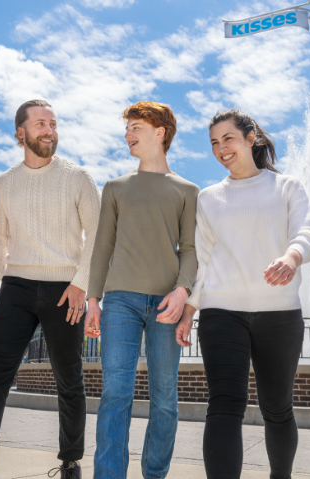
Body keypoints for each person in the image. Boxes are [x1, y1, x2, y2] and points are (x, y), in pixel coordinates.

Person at [0, 100, 100, 479]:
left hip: (65, 288)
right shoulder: (5, 182)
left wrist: (81, 283)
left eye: (54, 124)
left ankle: (70, 462)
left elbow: (98, 234)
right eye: (41, 123)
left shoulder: (78, 177)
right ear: (20, 133)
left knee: (69, 379)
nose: (49, 130)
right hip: (16, 286)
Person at [176, 109, 310, 479]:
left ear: (250, 138)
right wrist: (191, 309)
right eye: (213, 143)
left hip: (280, 313)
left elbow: (308, 232)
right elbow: (202, 260)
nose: (221, 148)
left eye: (228, 139)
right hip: (222, 312)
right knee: (224, 405)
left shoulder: (287, 187)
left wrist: (292, 256)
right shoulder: (208, 198)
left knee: (277, 408)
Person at [84, 101, 198, 479]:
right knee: (116, 393)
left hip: (167, 303)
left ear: (160, 132)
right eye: (127, 129)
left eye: (136, 127)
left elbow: (191, 249)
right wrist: (93, 299)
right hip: (120, 303)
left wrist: (183, 291)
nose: (128, 135)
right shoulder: (115, 187)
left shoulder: (187, 190)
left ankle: (154, 474)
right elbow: (102, 245)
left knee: (165, 400)